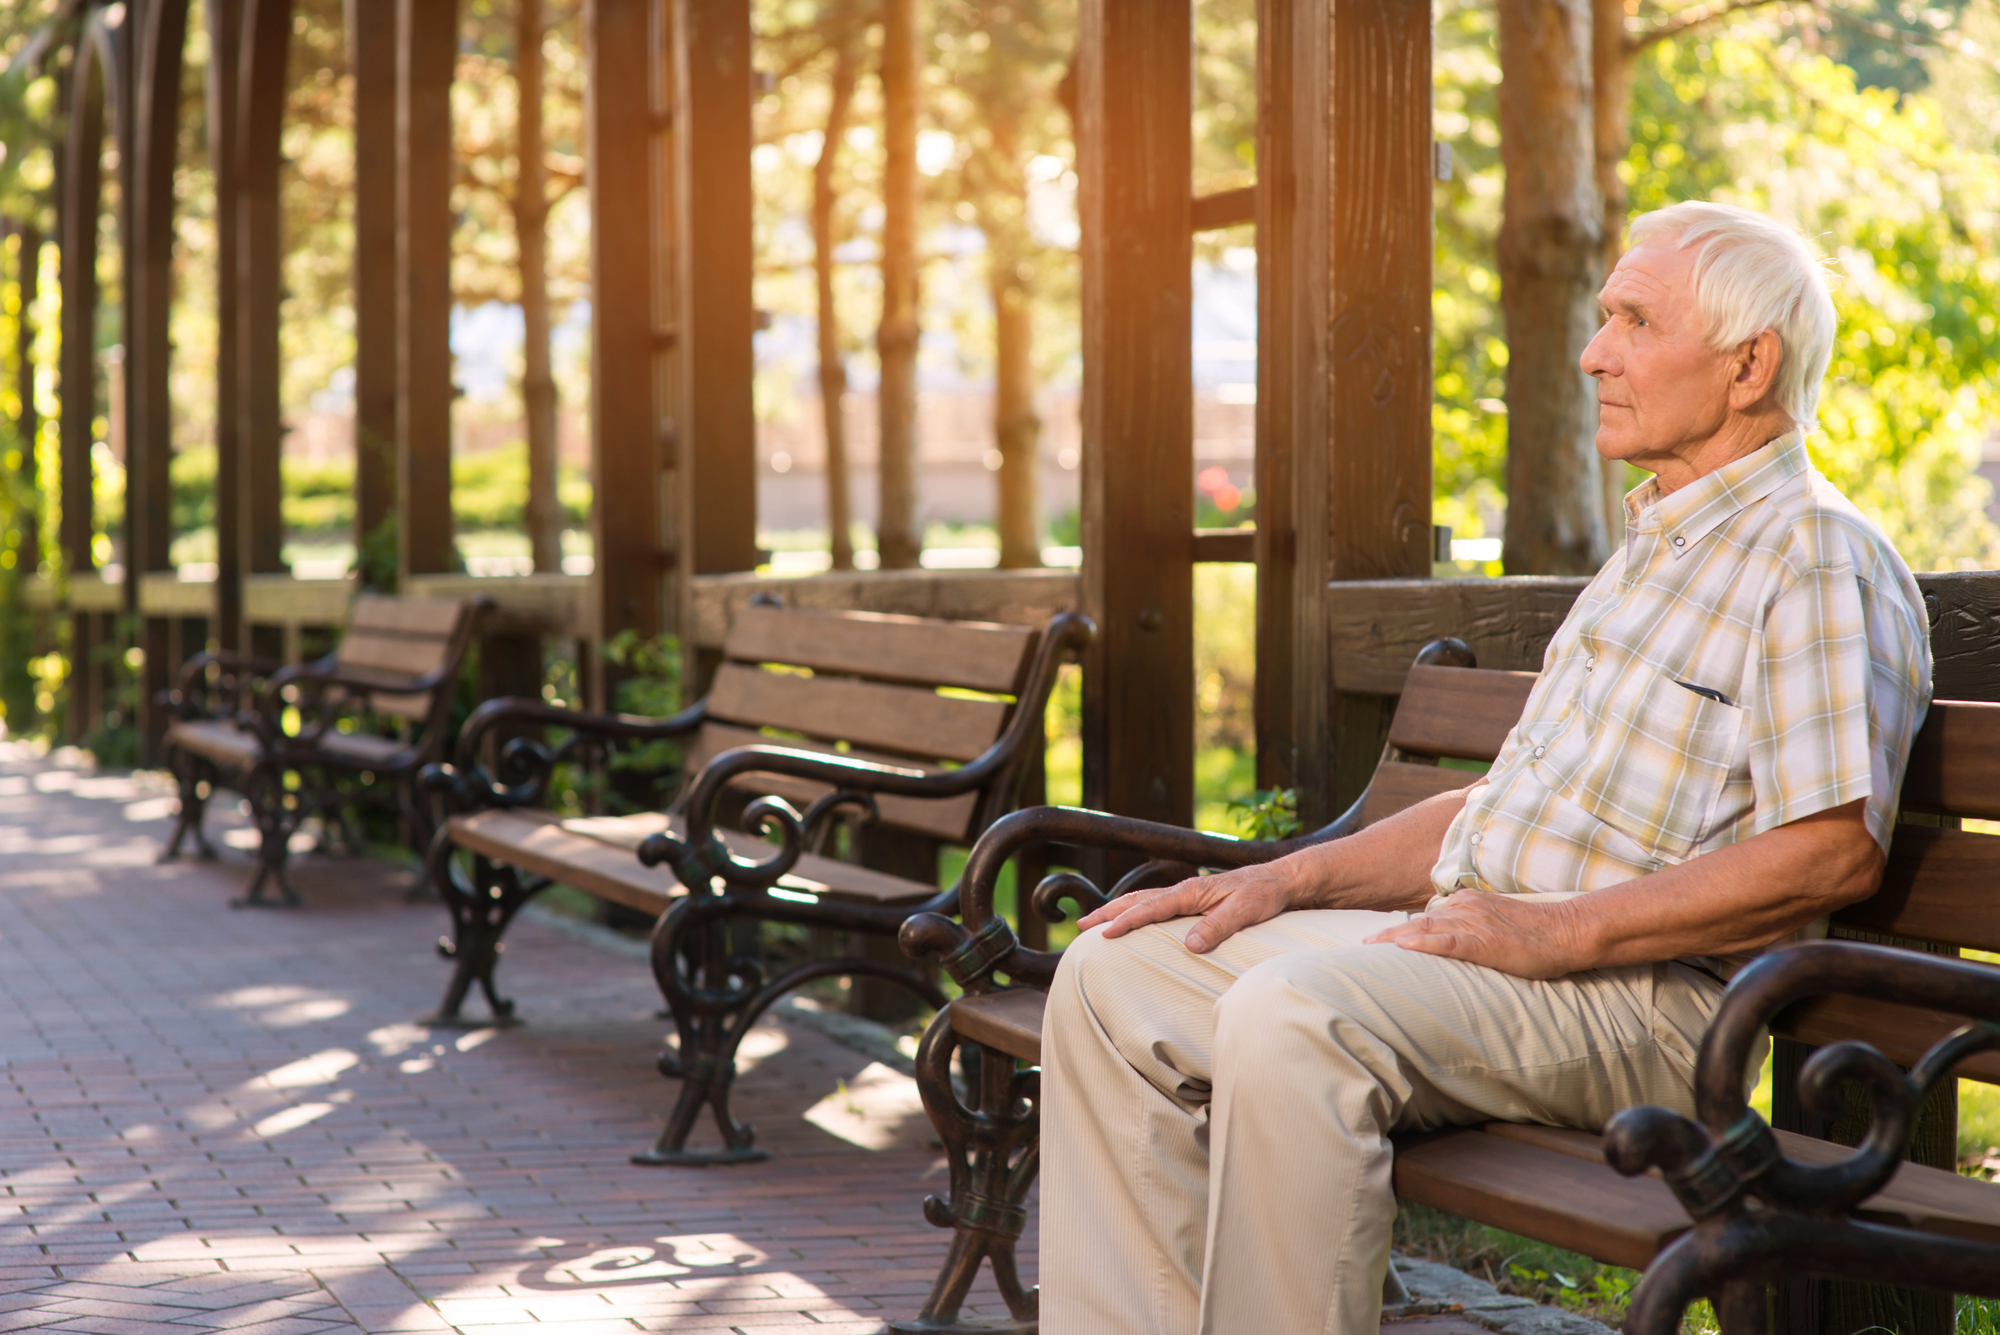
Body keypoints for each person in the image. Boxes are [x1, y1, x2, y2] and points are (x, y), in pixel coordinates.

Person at [1038, 201, 1932, 1335]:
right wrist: (1282, 879)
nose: (1591, 350)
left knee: (1293, 1014)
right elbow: (1497, 804)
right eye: (1601, 316)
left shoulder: (1814, 557)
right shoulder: (1652, 551)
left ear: (1747, 364)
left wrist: (1551, 931)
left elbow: (1828, 850)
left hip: (1641, 1003)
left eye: (1632, 321)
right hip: (1502, 958)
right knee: (1116, 976)